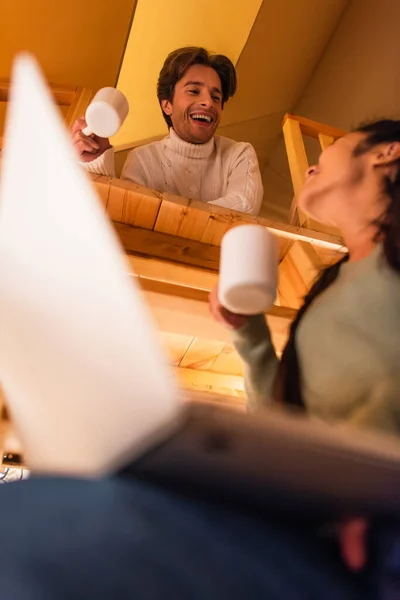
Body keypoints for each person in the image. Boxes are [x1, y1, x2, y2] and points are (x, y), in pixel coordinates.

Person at [210, 119, 400, 435]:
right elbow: (279, 423)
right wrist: (248, 333)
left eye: (329, 151)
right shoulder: (326, 291)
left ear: (388, 152)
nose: (310, 168)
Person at [72, 47, 263, 215]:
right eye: (194, 91)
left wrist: (161, 211)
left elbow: (244, 208)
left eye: (216, 96)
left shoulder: (240, 154)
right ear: (167, 105)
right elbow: (128, 215)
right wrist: (95, 163)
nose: (208, 102)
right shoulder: (142, 159)